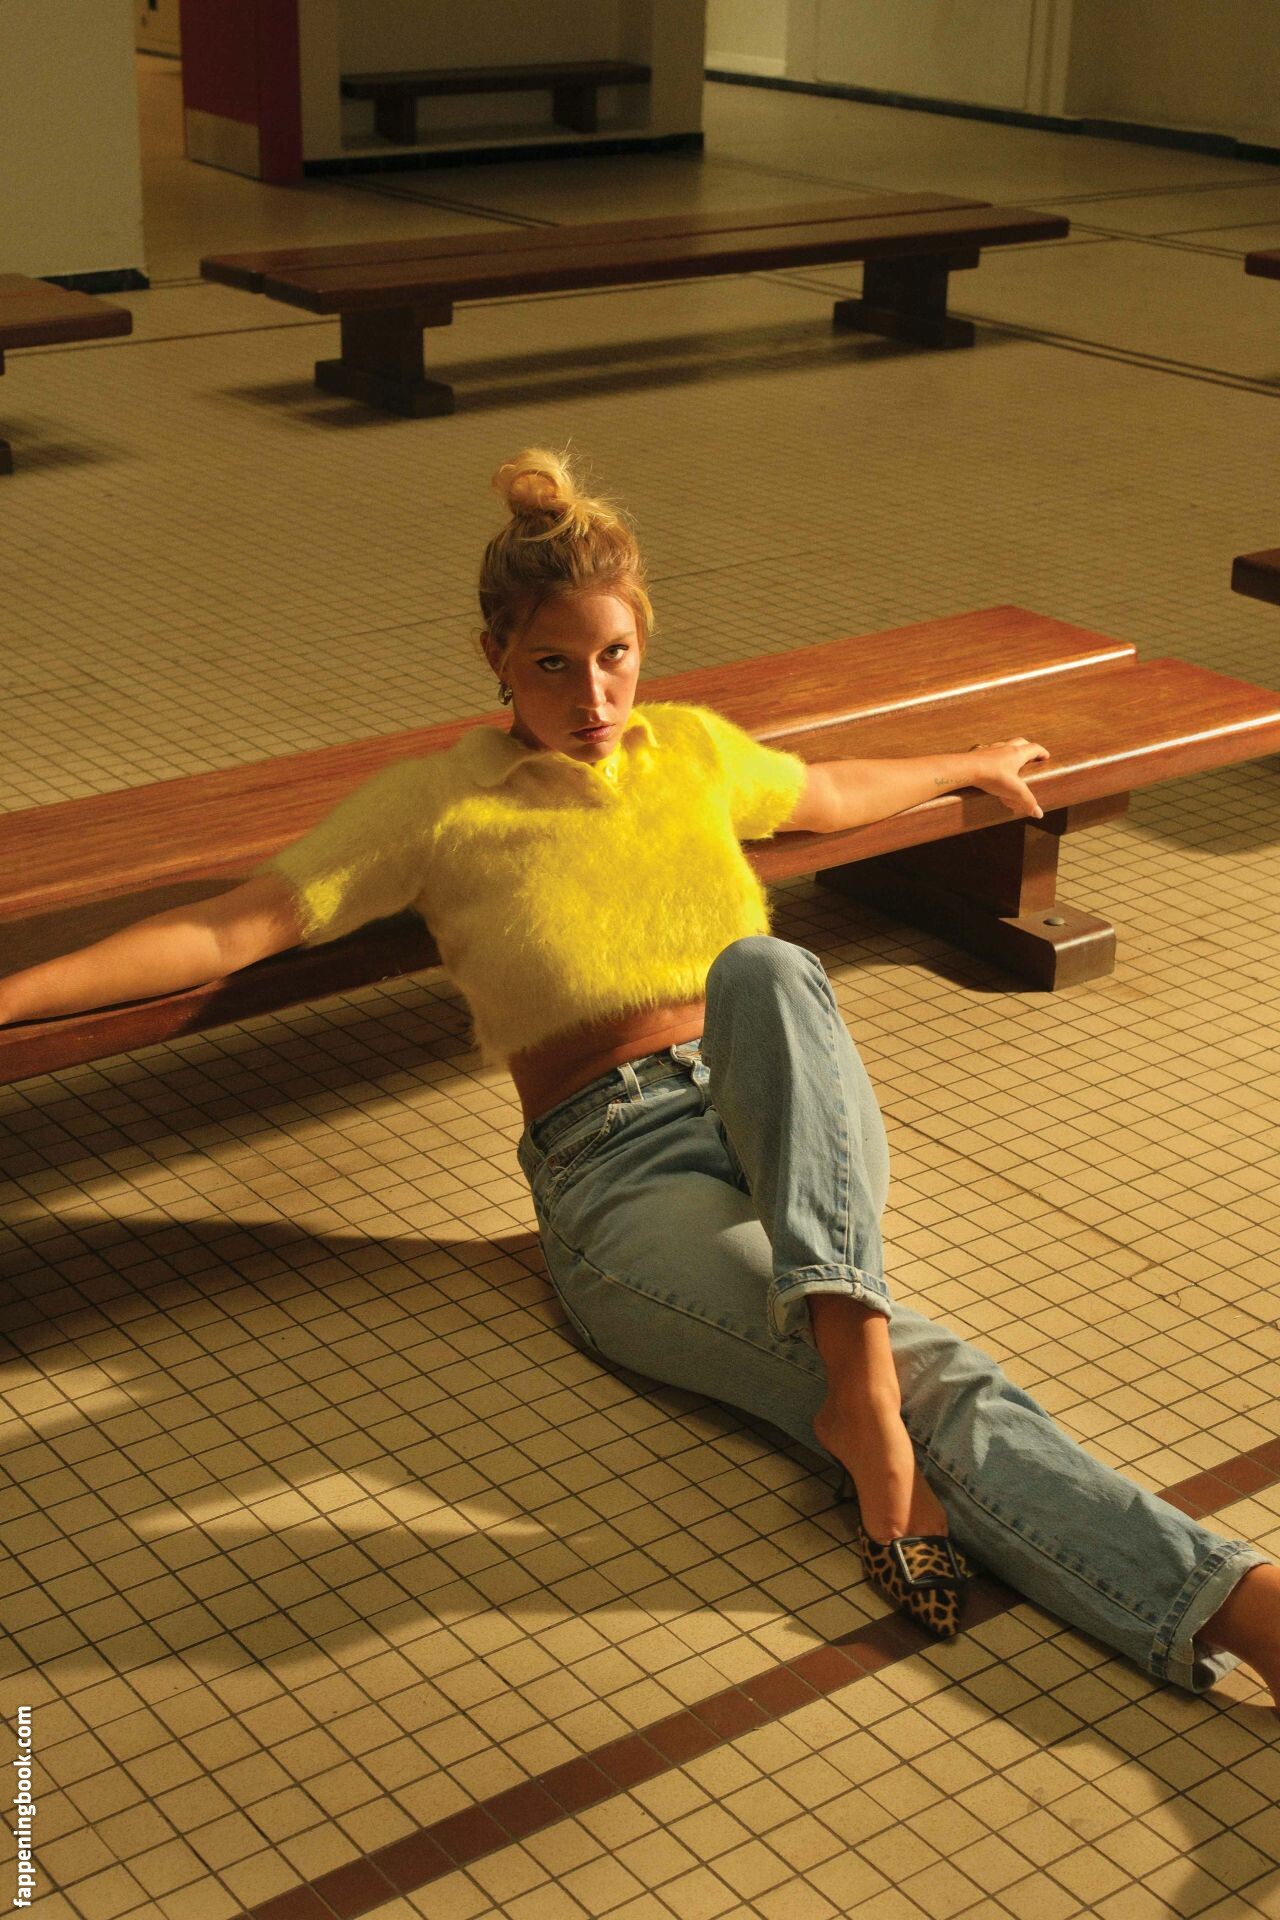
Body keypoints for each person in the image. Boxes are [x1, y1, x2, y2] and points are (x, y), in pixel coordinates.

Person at [3, 450, 1277, 1687]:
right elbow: (231, 928)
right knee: (918, 1367)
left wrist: (966, 765)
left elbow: (827, 790)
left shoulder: (688, 753)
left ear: (642, 646)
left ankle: (859, 1406)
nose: (593, 696)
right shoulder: (436, 805)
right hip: (616, 1174)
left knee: (766, 971)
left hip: (768, 1110)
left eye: (613, 656)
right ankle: (1231, 1599)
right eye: (552, 664)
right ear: (494, 657)